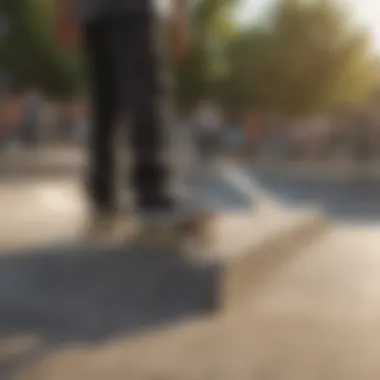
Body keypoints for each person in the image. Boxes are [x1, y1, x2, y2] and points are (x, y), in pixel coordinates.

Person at [57, 0, 190, 234]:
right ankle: (151, 195)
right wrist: (181, 19)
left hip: (92, 13)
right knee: (145, 94)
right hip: (131, 9)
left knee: (104, 105)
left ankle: (103, 200)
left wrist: (65, 12)